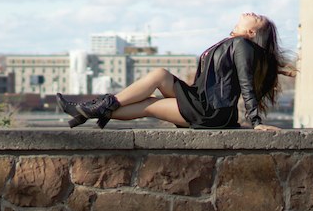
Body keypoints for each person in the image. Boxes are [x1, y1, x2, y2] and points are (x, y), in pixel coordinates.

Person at [56, 12, 294, 131]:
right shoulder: (234, 44)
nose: (252, 12)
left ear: (251, 32)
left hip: (210, 111)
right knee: (158, 77)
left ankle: (90, 109)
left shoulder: (242, 46)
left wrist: (255, 121)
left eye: (258, 17)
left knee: (150, 102)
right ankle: (90, 109)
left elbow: (245, 83)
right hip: (199, 100)